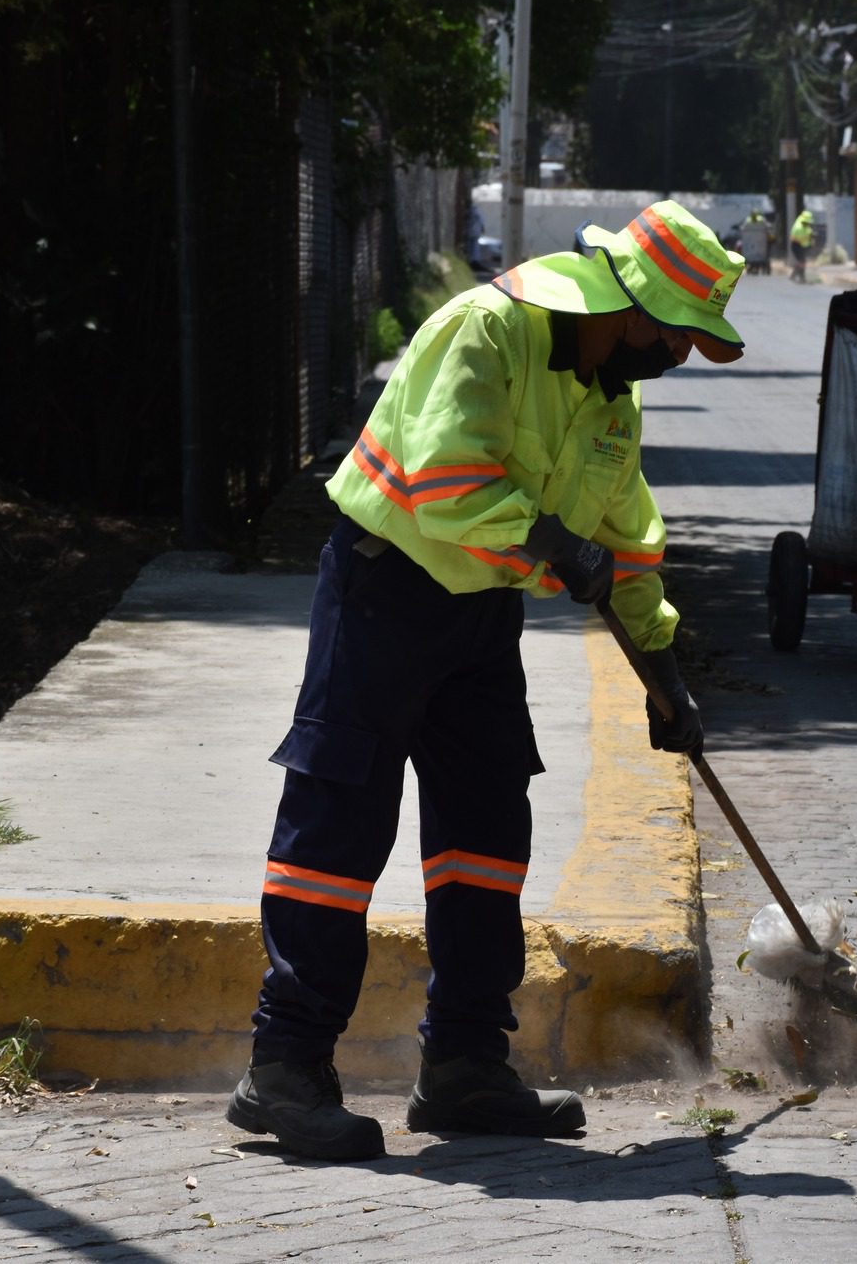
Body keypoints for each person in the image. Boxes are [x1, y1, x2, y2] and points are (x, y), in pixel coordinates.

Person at [226, 200, 745, 1162]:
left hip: (477, 613)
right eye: (678, 335)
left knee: (487, 827)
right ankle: (284, 1066)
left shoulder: (608, 397)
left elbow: (628, 544)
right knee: (340, 822)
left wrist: (661, 671)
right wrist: (553, 544)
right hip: (385, 586)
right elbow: (439, 478)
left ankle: (463, 1064)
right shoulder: (488, 329)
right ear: (630, 304)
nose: (679, 356)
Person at [789, 208, 815, 283]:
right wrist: (803, 239)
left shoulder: (806, 226)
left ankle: (794, 276)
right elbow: (792, 238)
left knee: (801, 262)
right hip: (796, 245)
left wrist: (810, 239)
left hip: (802, 246)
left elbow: (808, 234)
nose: (808, 224)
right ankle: (801, 278)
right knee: (802, 262)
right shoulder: (797, 227)